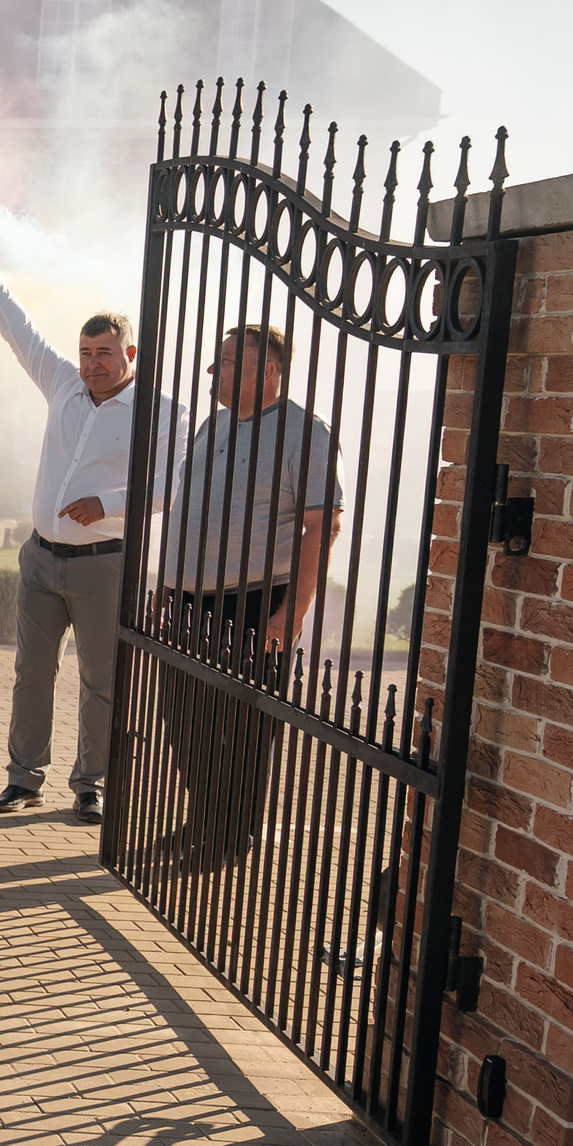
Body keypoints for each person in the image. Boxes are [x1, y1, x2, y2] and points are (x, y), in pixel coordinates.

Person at [0, 227, 170, 825]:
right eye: (85, 353)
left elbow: (178, 485)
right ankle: (23, 779)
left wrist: (109, 503)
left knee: (101, 680)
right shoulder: (62, 383)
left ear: (131, 354)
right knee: (32, 672)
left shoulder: (160, 411)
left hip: (106, 565)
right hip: (41, 560)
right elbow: (18, 329)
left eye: (104, 353)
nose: (91, 365)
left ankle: (92, 785)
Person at [155, 323, 341, 869]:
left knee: (239, 728)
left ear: (269, 371)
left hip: (254, 601)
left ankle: (231, 839)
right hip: (190, 599)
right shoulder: (212, 425)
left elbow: (322, 526)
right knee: (184, 718)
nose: (214, 369)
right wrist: (169, 584)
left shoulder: (305, 432)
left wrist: (293, 612)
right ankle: (205, 819)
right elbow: (190, 509)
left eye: (230, 360)